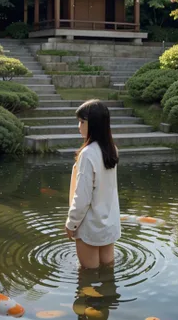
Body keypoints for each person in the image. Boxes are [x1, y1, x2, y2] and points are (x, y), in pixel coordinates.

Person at [65, 99, 121, 269]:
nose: (78, 126)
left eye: (82, 122)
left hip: (90, 225)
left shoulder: (88, 154)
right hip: (108, 222)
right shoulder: (112, 149)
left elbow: (82, 196)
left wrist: (71, 223)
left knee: (87, 277)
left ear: (94, 124)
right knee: (107, 274)